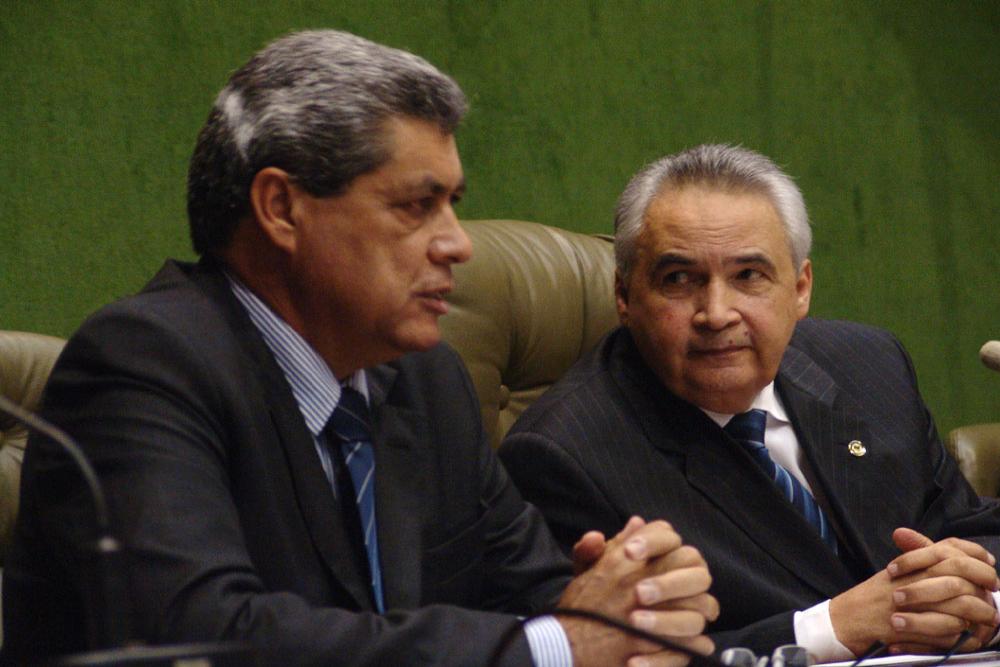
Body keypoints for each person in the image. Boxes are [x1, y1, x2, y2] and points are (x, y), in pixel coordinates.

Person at [1, 31, 719, 666]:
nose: (457, 243)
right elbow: (207, 635)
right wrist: (559, 643)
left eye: (453, 205)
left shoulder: (426, 380)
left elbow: (536, 592)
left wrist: (632, 601)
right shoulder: (143, 366)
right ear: (281, 209)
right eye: (416, 206)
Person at [499, 144, 1000, 661]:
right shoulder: (563, 456)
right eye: (679, 279)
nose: (717, 314)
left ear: (800, 288)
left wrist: (975, 592)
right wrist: (829, 628)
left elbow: (972, 526)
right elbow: (595, 654)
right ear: (624, 296)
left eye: (748, 276)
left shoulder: (869, 364)